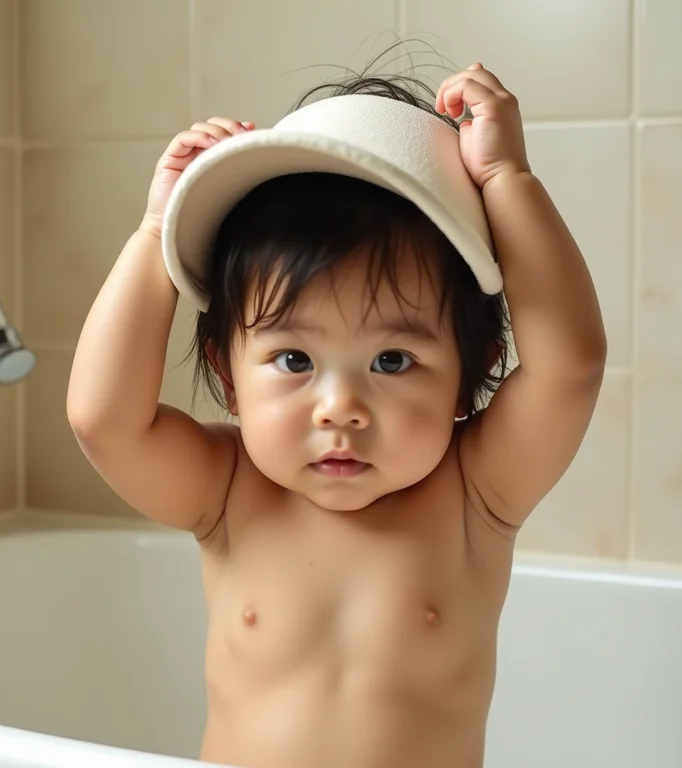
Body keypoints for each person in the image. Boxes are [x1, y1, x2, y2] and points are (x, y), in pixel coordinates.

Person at [67, 56, 606, 768]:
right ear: (230, 379)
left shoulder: (476, 494)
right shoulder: (226, 491)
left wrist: (509, 180)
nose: (340, 409)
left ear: (471, 376)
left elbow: (570, 367)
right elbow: (103, 420)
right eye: (294, 360)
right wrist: (154, 232)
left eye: (392, 361)